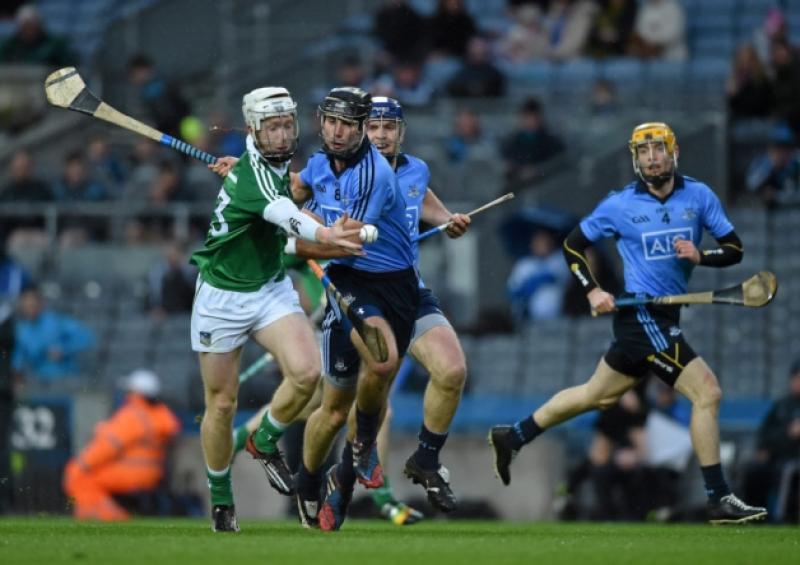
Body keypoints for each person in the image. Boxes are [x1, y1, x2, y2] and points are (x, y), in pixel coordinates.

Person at [489, 122, 768, 524]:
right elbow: (572, 244)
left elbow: (734, 250)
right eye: (643, 152)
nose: (651, 158)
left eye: (658, 150)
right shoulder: (618, 206)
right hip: (641, 316)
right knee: (708, 392)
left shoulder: (699, 195)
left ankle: (513, 435)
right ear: (635, 159)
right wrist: (592, 290)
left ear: (674, 154)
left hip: (665, 311)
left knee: (595, 396)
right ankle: (718, 498)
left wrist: (701, 256)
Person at [191, 86, 361, 532]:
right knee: (222, 404)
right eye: (273, 127)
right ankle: (222, 499)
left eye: (288, 124)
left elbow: (279, 190)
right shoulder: (256, 177)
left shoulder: (267, 166)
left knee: (307, 374)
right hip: (221, 295)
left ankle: (264, 440)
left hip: (268, 287)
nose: (284, 135)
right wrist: (328, 238)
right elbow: (289, 214)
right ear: (253, 130)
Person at [290, 87, 420, 531]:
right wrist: (252, 179)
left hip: (390, 283)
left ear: (363, 127)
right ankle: (308, 483)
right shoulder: (320, 160)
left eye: (346, 123)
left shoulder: (373, 175)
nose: (336, 131)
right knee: (334, 406)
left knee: (380, 369)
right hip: (347, 283)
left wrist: (285, 241)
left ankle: (353, 457)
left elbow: (340, 243)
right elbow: (297, 186)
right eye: (329, 120)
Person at [62, 370, 180, 520]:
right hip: (151, 474)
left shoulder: (133, 416)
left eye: (130, 391)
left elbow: (106, 447)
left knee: (79, 477)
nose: (127, 395)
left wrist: (80, 465)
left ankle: (111, 519)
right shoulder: (160, 416)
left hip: (130, 474)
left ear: (136, 393)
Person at [742, 361, 800, 522]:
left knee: (788, 472)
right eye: (796, 378)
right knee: (753, 470)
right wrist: (766, 447)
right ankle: (755, 517)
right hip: (776, 457)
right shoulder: (782, 405)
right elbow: (765, 434)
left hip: (794, 460)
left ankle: (783, 518)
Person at [13, 286, 95, 383]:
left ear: (40, 304)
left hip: (66, 378)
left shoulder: (56, 321)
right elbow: (17, 358)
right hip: (39, 381)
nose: (30, 309)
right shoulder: (21, 330)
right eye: (27, 306)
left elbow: (86, 337)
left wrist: (63, 349)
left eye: (33, 305)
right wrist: (16, 374)